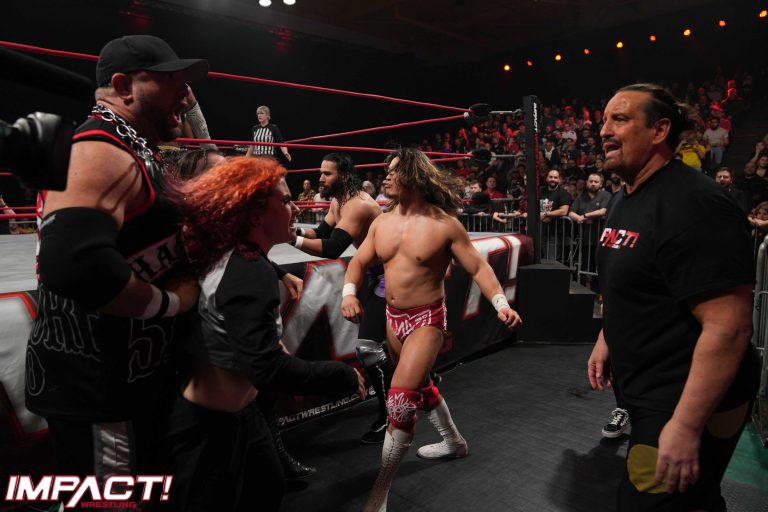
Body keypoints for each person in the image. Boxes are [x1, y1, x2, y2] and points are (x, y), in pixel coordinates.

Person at [25, 35, 206, 491]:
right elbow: (74, 266)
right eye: (172, 82)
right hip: (98, 388)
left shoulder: (134, 144)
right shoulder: (99, 148)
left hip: (128, 377)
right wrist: (172, 303)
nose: (186, 95)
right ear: (125, 87)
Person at [588, 83, 759, 511]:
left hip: (683, 394)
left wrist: (685, 425)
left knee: (648, 503)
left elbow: (729, 327)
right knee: (696, 499)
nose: (604, 130)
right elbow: (632, 282)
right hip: (649, 386)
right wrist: (607, 337)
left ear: (659, 130)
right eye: (604, 120)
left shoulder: (697, 204)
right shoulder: (625, 197)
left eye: (620, 119)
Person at [165, 156, 365, 511]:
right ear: (256, 216)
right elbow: (267, 369)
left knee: (268, 486)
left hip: (240, 413)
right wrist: (343, 375)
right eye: (286, 200)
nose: (295, 208)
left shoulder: (230, 251)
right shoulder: (247, 271)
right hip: (212, 426)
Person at [341, 147, 522, 512]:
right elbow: (358, 262)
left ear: (414, 175)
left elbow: (478, 268)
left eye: (395, 170)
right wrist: (348, 294)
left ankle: (379, 497)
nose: (387, 175)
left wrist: (501, 303)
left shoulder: (444, 224)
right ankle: (454, 442)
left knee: (400, 400)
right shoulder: (382, 223)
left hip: (427, 321)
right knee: (420, 388)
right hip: (393, 319)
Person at [293, 153, 391, 443]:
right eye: (321, 172)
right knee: (384, 342)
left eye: (328, 173)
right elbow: (321, 232)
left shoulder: (359, 204)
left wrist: (291, 239)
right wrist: (291, 231)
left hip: (390, 274)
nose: (321, 178)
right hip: (372, 272)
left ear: (344, 176)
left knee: (368, 347)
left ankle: (390, 417)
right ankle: (423, 382)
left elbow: (333, 247)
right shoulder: (339, 202)